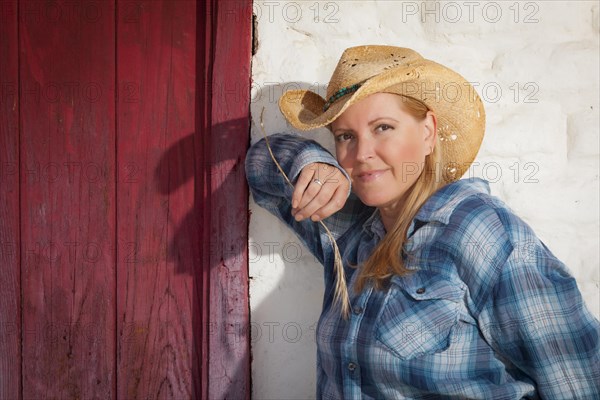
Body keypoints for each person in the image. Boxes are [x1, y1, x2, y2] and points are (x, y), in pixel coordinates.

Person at [245, 45, 600, 399]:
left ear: (428, 132)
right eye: (345, 136)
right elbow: (261, 161)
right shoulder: (351, 230)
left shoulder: (483, 232)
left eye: (383, 127)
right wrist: (314, 164)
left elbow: (578, 382)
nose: (362, 153)